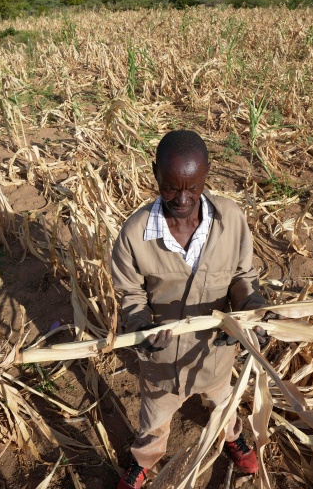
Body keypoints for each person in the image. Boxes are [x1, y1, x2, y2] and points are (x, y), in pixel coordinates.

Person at [110, 129, 270, 489]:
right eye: (170, 188)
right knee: (154, 420)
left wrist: (252, 310)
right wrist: (140, 328)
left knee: (223, 403)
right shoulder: (135, 234)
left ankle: (231, 437)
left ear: (206, 174)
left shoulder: (230, 220)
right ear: (155, 173)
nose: (182, 199)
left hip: (214, 354)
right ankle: (143, 461)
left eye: (193, 188)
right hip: (162, 362)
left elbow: (243, 277)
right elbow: (131, 293)